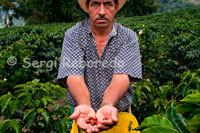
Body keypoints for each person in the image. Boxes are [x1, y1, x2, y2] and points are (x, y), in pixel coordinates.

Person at [57, 0, 142, 132]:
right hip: (84, 119)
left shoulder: (128, 36)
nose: (101, 11)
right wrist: (85, 105)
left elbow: (121, 76)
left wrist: (107, 104)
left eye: (108, 4)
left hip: (118, 117)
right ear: (87, 7)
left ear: (116, 7)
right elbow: (74, 75)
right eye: (95, 4)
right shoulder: (73, 35)